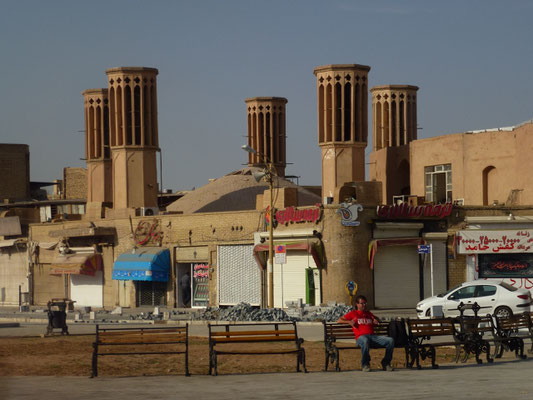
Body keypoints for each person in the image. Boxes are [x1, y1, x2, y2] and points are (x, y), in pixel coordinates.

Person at [337, 294, 394, 372]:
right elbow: (339, 320)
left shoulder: (368, 313)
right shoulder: (353, 313)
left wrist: (375, 320)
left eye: (365, 303)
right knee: (365, 341)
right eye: (362, 303)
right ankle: (365, 364)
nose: (364, 305)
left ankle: (386, 363)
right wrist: (349, 322)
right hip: (361, 338)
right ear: (357, 304)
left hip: (373, 337)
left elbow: (376, 318)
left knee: (390, 340)